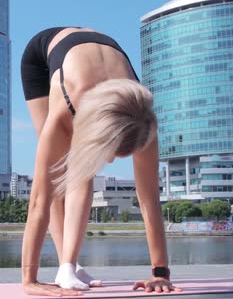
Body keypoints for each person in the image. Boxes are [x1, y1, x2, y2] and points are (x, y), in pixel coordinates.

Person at [20, 27, 181, 296]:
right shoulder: (65, 109)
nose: (107, 160)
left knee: (83, 170)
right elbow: (39, 199)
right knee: (61, 172)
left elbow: (149, 198)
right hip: (44, 55)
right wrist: (30, 280)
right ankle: (66, 266)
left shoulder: (143, 121)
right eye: (108, 152)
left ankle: (69, 267)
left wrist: (160, 272)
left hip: (100, 60)